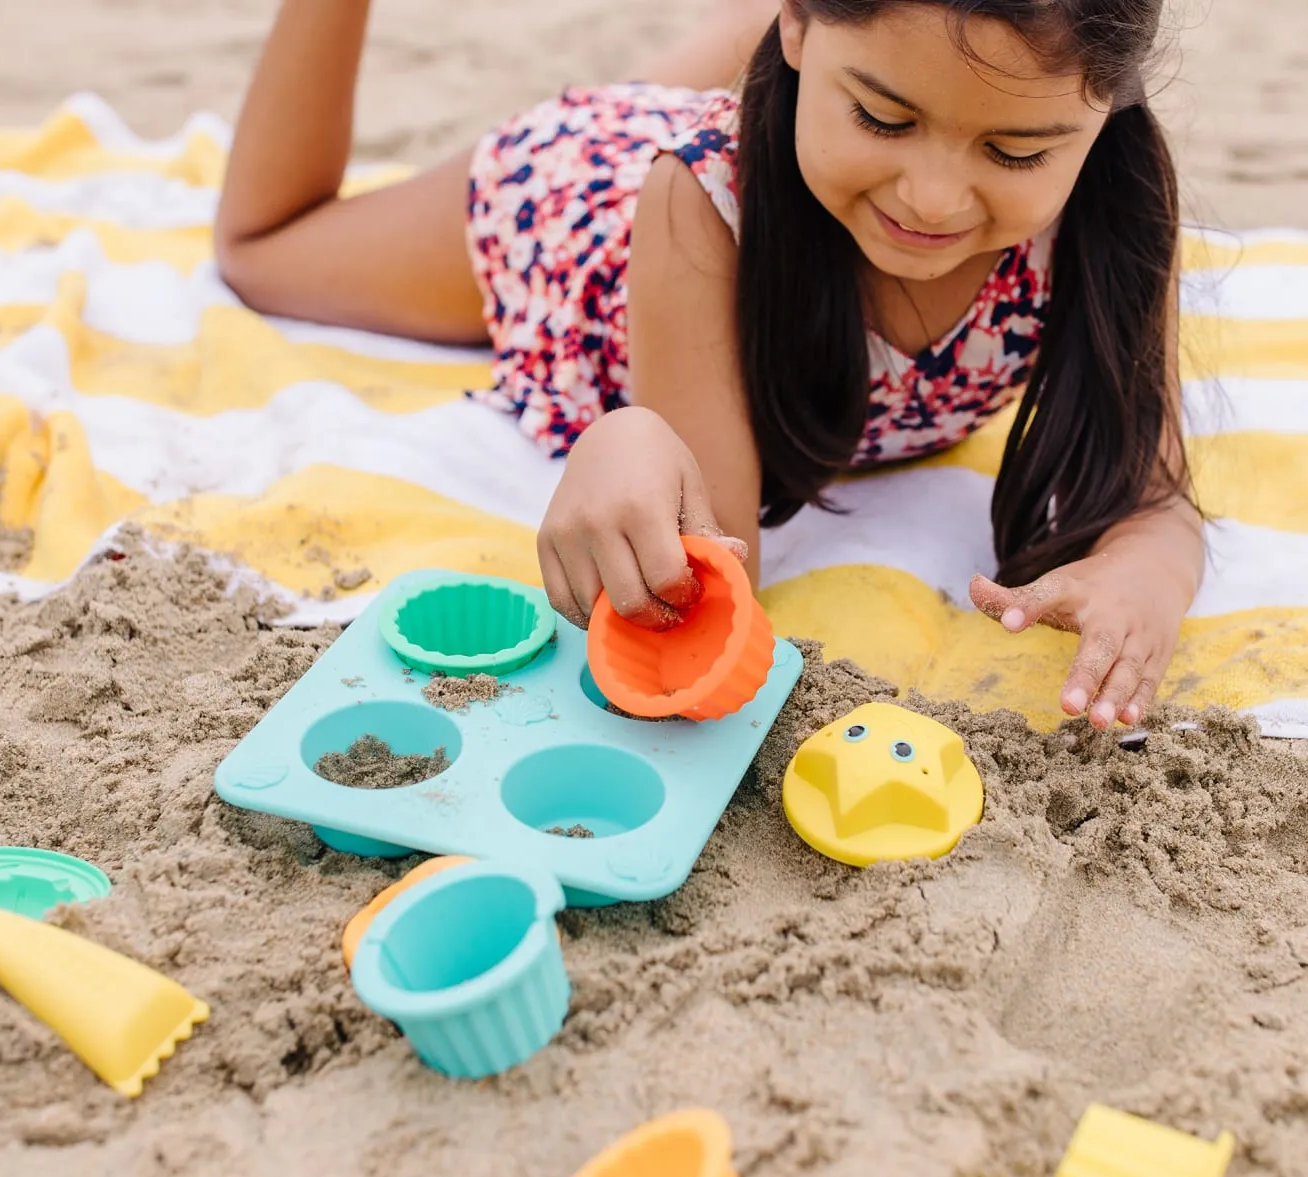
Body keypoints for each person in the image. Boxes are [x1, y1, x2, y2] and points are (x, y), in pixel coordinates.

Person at [215, 0, 1203, 731]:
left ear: (1107, 107)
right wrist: (627, 436)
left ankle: (758, 81)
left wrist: (1139, 581)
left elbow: (1156, 496)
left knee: (726, 103)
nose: (934, 199)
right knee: (263, 253)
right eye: (884, 120)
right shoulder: (701, 204)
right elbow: (714, 568)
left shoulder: (1116, 212)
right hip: (583, 215)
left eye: (1016, 153)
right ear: (806, 31)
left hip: (771, 119)